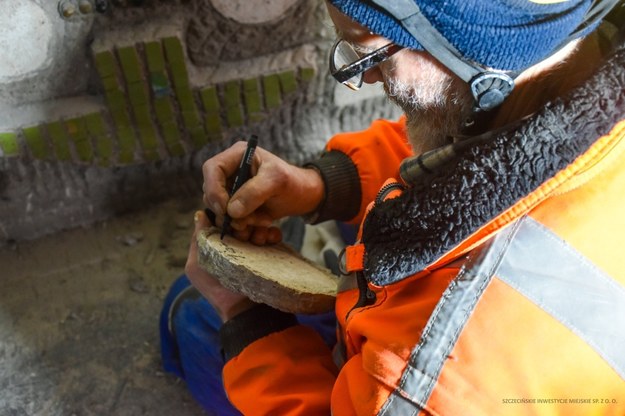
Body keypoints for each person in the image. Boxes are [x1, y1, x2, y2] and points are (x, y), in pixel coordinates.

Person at [161, 0, 625, 414]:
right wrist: (321, 186)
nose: (365, 78)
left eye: (368, 51)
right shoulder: (582, 59)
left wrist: (247, 320)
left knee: (192, 317)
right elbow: (474, 160)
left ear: (475, 48)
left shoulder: (430, 383)